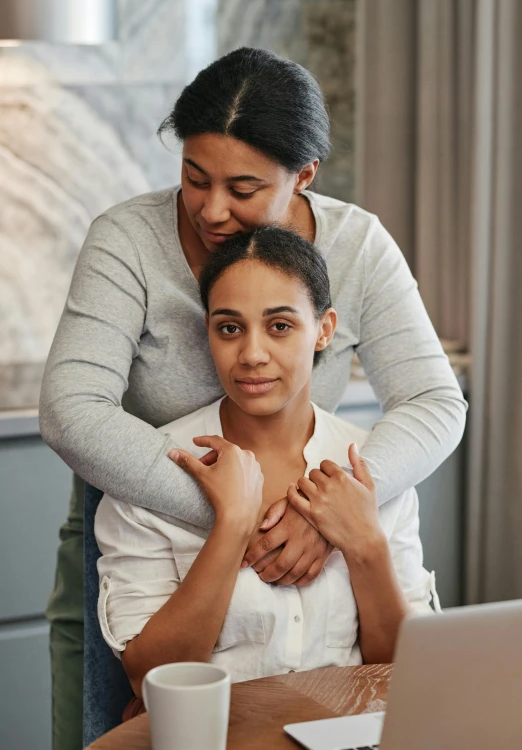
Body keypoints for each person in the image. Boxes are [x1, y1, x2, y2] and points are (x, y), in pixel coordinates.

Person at [40, 47, 465, 750]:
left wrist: (324, 513)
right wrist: (240, 513)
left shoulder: (357, 246)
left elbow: (434, 401)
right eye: (193, 177)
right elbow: (72, 411)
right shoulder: (128, 241)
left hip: (308, 523)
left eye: (242, 187)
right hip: (145, 530)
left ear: (303, 177)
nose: (210, 210)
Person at [95, 227, 438, 694]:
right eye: (230, 328)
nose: (252, 355)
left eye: (280, 326)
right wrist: (231, 526)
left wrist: (365, 546)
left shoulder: (371, 469)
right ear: (209, 332)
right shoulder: (153, 469)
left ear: (324, 330)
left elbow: (407, 676)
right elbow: (150, 679)